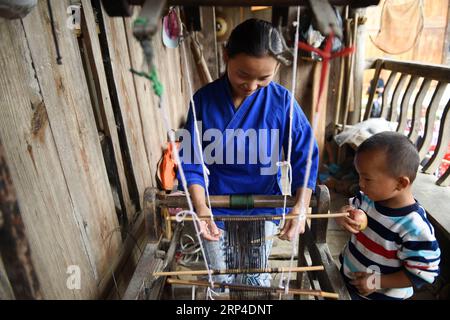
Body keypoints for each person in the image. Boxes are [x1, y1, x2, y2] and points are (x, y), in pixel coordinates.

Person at [179, 18, 319, 286]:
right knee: (219, 279)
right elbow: (191, 159)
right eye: (243, 74)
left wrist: (300, 205)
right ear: (226, 57)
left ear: (277, 68)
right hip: (216, 207)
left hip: (263, 206)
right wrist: (200, 207)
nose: (252, 85)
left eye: (264, 78)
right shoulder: (204, 100)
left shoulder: (281, 102)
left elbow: (305, 153)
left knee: (253, 278)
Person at [337, 131, 441, 300]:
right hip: (347, 279)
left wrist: (377, 282)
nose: (360, 184)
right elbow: (348, 209)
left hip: (378, 295)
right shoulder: (368, 199)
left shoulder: (414, 228)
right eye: (359, 176)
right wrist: (343, 214)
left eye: (367, 179)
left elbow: (423, 273)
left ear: (400, 183)